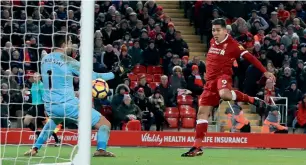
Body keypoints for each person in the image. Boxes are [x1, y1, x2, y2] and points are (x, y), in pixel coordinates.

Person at [181, 18, 275, 157]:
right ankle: (197, 147)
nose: (215, 33)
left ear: (226, 30)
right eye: (213, 30)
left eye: (218, 30)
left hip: (223, 77)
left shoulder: (233, 45)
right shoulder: (212, 41)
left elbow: (250, 58)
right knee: (201, 113)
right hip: (210, 82)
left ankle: (251, 99)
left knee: (225, 94)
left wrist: (265, 71)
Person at [24, 33, 118, 157]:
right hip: (69, 106)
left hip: (51, 106)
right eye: (69, 42)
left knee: (52, 122)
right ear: (64, 44)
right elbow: (94, 76)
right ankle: (101, 150)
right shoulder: (67, 60)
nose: (71, 45)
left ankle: (35, 148)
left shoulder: (44, 60)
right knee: (105, 123)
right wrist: (114, 73)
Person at [23, 72, 61, 146]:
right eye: (34, 77)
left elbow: (44, 97)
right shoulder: (33, 85)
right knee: (26, 121)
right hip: (34, 106)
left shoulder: (41, 85)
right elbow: (31, 93)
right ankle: (38, 134)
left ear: (40, 78)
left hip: (40, 106)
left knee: (45, 125)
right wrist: (25, 92)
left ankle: (57, 139)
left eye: (37, 77)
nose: (35, 79)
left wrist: (45, 109)